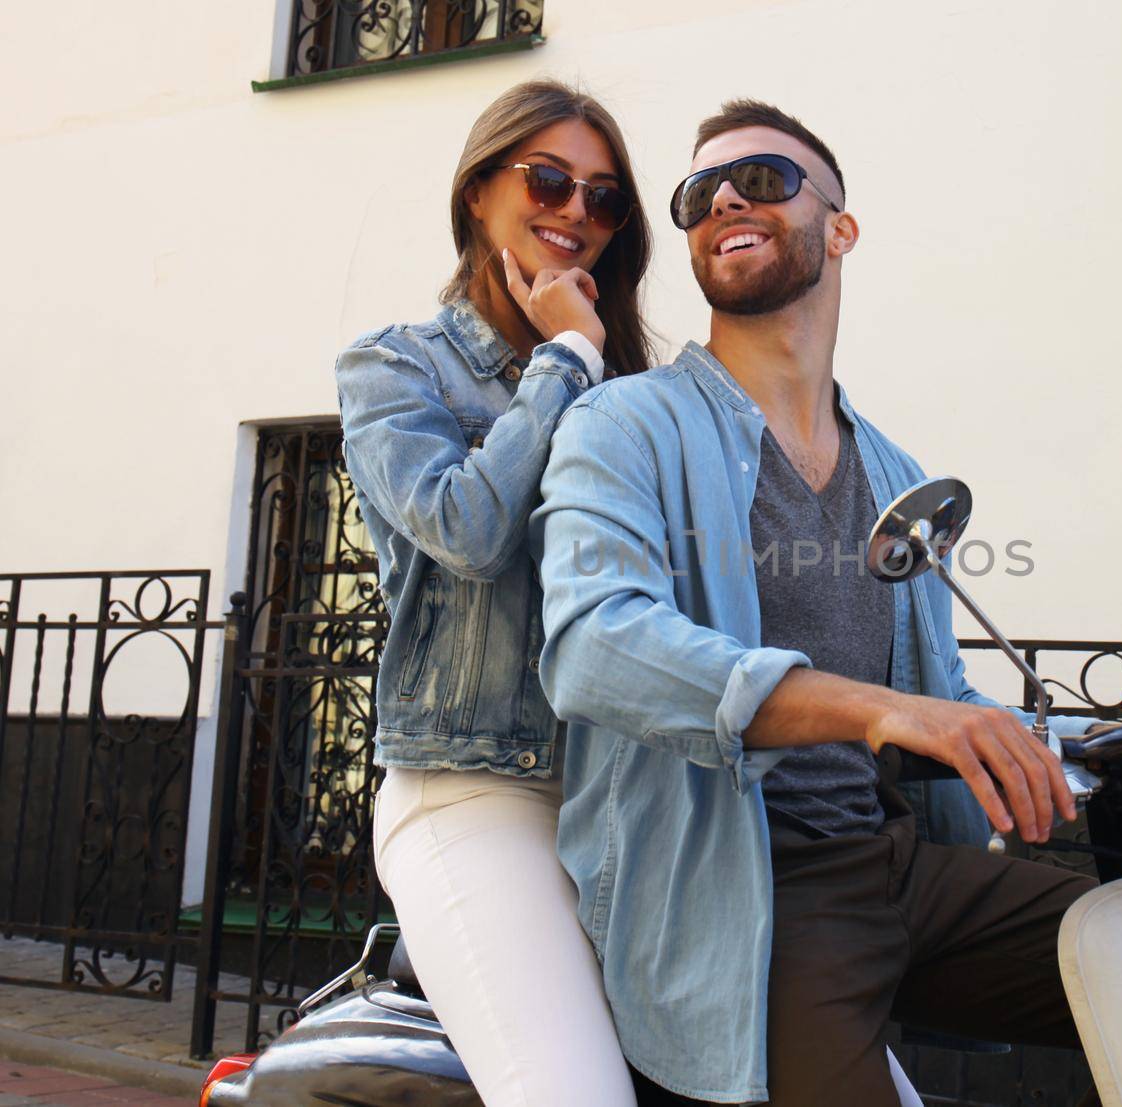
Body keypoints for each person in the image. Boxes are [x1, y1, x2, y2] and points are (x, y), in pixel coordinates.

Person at [533, 100, 1097, 1106]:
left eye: (762, 179)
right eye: (699, 193)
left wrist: (1102, 749)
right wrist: (876, 711)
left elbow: (938, 692)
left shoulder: (891, 469)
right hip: (751, 887)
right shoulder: (623, 425)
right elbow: (593, 643)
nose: (724, 203)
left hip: (900, 866)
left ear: (840, 227)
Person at [334, 79, 653, 1107]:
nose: (576, 214)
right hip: (472, 791)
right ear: (479, 191)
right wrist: (564, 355)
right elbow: (466, 533)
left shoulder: (636, 387)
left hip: (628, 805)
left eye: (603, 200)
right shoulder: (396, 366)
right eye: (550, 181)